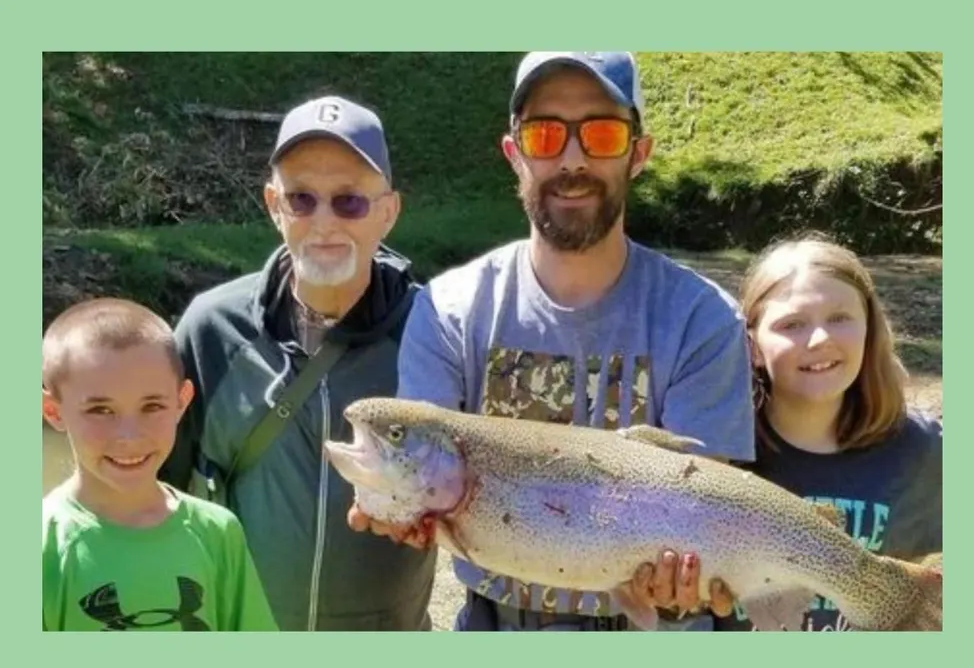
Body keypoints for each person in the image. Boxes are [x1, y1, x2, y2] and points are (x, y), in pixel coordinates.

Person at [352, 52, 754, 631]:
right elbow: (419, 473)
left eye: (602, 133)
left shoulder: (703, 319)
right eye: (545, 135)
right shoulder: (448, 310)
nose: (572, 158)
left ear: (638, 154)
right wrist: (394, 504)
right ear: (515, 154)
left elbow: (710, 513)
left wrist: (684, 584)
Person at [160, 95, 436, 631]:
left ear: (388, 211)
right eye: (302, 199)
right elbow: (150, 488)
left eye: (350, 201)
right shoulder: (209, 329)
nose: (324, 222)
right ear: (272, 205)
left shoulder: (435, 334)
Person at [715, 236, 942, 631]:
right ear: (752, 346)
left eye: (839, 317)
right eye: (792, 324)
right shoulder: (717, 457)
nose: (820, 340)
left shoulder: (924, 452)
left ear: (870, 327)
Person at [42, 298, 277, 631]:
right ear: (53, 412)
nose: (129, 436)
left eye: (152, 406)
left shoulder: (218, 533)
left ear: (182, 402)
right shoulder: (42, 545)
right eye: (100, 410)